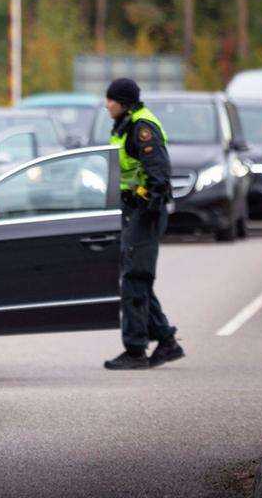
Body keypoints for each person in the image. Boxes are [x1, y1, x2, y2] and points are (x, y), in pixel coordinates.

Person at [102, 78, 184, 371]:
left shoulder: (141, 128)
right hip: (135, 211)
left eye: (110, 100)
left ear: (122, 102)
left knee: (135, 277)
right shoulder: (125, 124)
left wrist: (141, 201)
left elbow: (159, 176)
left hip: (147, 212)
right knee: (137, 277)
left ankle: (136, 350)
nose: (106, 104)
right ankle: (165, 341)